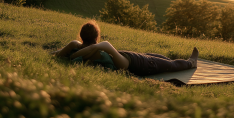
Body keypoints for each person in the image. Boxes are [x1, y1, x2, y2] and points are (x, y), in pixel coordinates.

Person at [52, 20, 199, 76]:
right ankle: (191, 63)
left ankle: (180, 61)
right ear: (97, 37)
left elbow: (60, 53)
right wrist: (70, 54)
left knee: (163, 59)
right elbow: (59, 53)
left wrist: (69, 54)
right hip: (139, 63)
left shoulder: (79, 47)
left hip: (131, 56)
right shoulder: (102, 47)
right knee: (170, 65)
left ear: (81, 36)